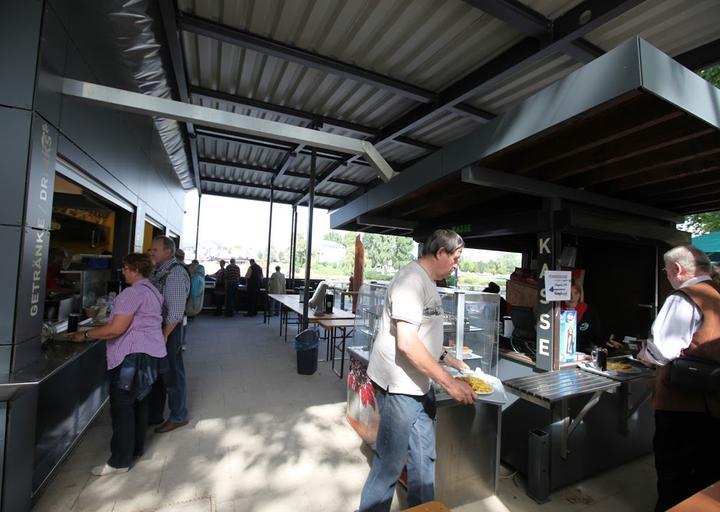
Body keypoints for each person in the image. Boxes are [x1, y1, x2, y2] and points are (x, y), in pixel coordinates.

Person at [359, 229, 475, 512]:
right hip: (399, 387)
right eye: (456, 258)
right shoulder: (411, 280)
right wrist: (450, 383)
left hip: (420, 386)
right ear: (440, 253)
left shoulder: (431, 282)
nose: (457, 264)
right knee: (389, 464)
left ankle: (423, 508)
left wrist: (449, 359)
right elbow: (408, 343)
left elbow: (425, 335)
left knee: (424, 457)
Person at [638, 245, 720, 512]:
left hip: (681, 404)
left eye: (666, 271)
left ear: (677, 269)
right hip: (715, 401)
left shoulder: (682, 298)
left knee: (674, 472)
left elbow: (663, 350)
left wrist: (644, 354)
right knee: (708, 471)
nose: (667, 276)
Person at [70, 253, 166, 475]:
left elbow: (116, 329)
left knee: (122, 407)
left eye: (125, 268)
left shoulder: (131, 294)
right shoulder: (153, 291)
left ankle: (119, 462)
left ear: (134, 270)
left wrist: (85, 334)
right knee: (140, 401)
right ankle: (135, 449)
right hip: (150, 353)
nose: (123, 272)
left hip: (131, 357)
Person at [148, 236, 190, 433]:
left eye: (155, 250)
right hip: (162, 328)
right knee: (161, 373)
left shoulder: (175, 274)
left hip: (169, 329)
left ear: (168, 252)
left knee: (173, 373)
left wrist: (164, 335)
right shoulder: (161, 271)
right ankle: (155, 414)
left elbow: (175, 312)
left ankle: (178, 415)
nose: (151, 252)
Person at [560, 280, 619, 354]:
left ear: (580, 294)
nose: (572, 297)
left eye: (576, 293)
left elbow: (596, 336)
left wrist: (608, 341)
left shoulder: (589, 311)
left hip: (582, 355)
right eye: (568, 293)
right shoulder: (554, 311)